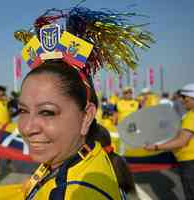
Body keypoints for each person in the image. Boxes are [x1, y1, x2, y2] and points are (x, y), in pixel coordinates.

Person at [18, 60, 135, 199]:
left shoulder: (72, 193)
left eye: (47, 112)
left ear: (86, 117)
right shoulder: (91, 154)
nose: (27, 128)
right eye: (23, 110)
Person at [144, 83, 194, 200]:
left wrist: (156, 147)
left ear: (192, 97)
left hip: (192, 163)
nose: (181, 100)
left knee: (193, 196)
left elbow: (181, 141)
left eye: (184, 97)